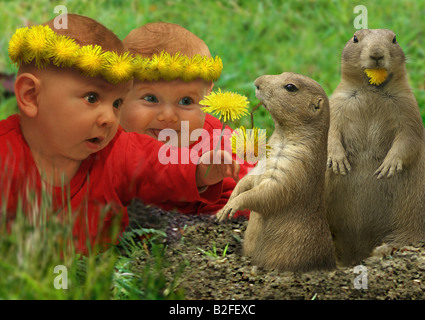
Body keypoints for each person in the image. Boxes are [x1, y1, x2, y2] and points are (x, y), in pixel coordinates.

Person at [0, 14, 240, 254]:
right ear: (31, 96)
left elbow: (158, 164)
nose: (109, 118)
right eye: (92, 98)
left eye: (116, 103)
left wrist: (198, 171)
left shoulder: (117, 148)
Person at [121, 22, 255, 217]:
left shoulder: (218, 151)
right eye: (151, 98)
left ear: (207, 93)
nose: (168, 116)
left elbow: (244, 199)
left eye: (185, 101)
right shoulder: (104, 134)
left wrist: (209, 226)